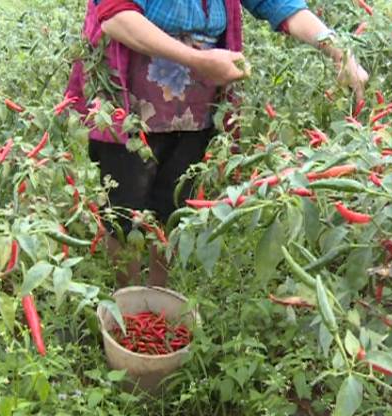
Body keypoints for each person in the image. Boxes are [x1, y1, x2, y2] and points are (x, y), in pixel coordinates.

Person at [65, 0, 369, 288]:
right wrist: (197, 60)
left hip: (196, 98)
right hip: (129, 94)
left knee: (174, 198)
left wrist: (340, 53)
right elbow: (116, 16)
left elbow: (281, 4)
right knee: (124, 203)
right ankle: (127, 297)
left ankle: (158, 293)